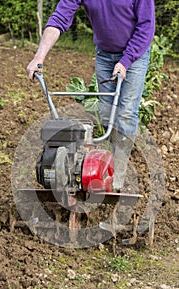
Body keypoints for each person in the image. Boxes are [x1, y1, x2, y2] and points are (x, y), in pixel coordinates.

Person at [27, 0, 155, 190]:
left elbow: (146, 27)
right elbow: (60, 17)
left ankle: (117, 179)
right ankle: (97, 168)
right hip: (105, 54)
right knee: (104, 113)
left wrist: (126, 61)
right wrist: (39, 57)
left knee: (126, 113)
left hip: (135, 55)